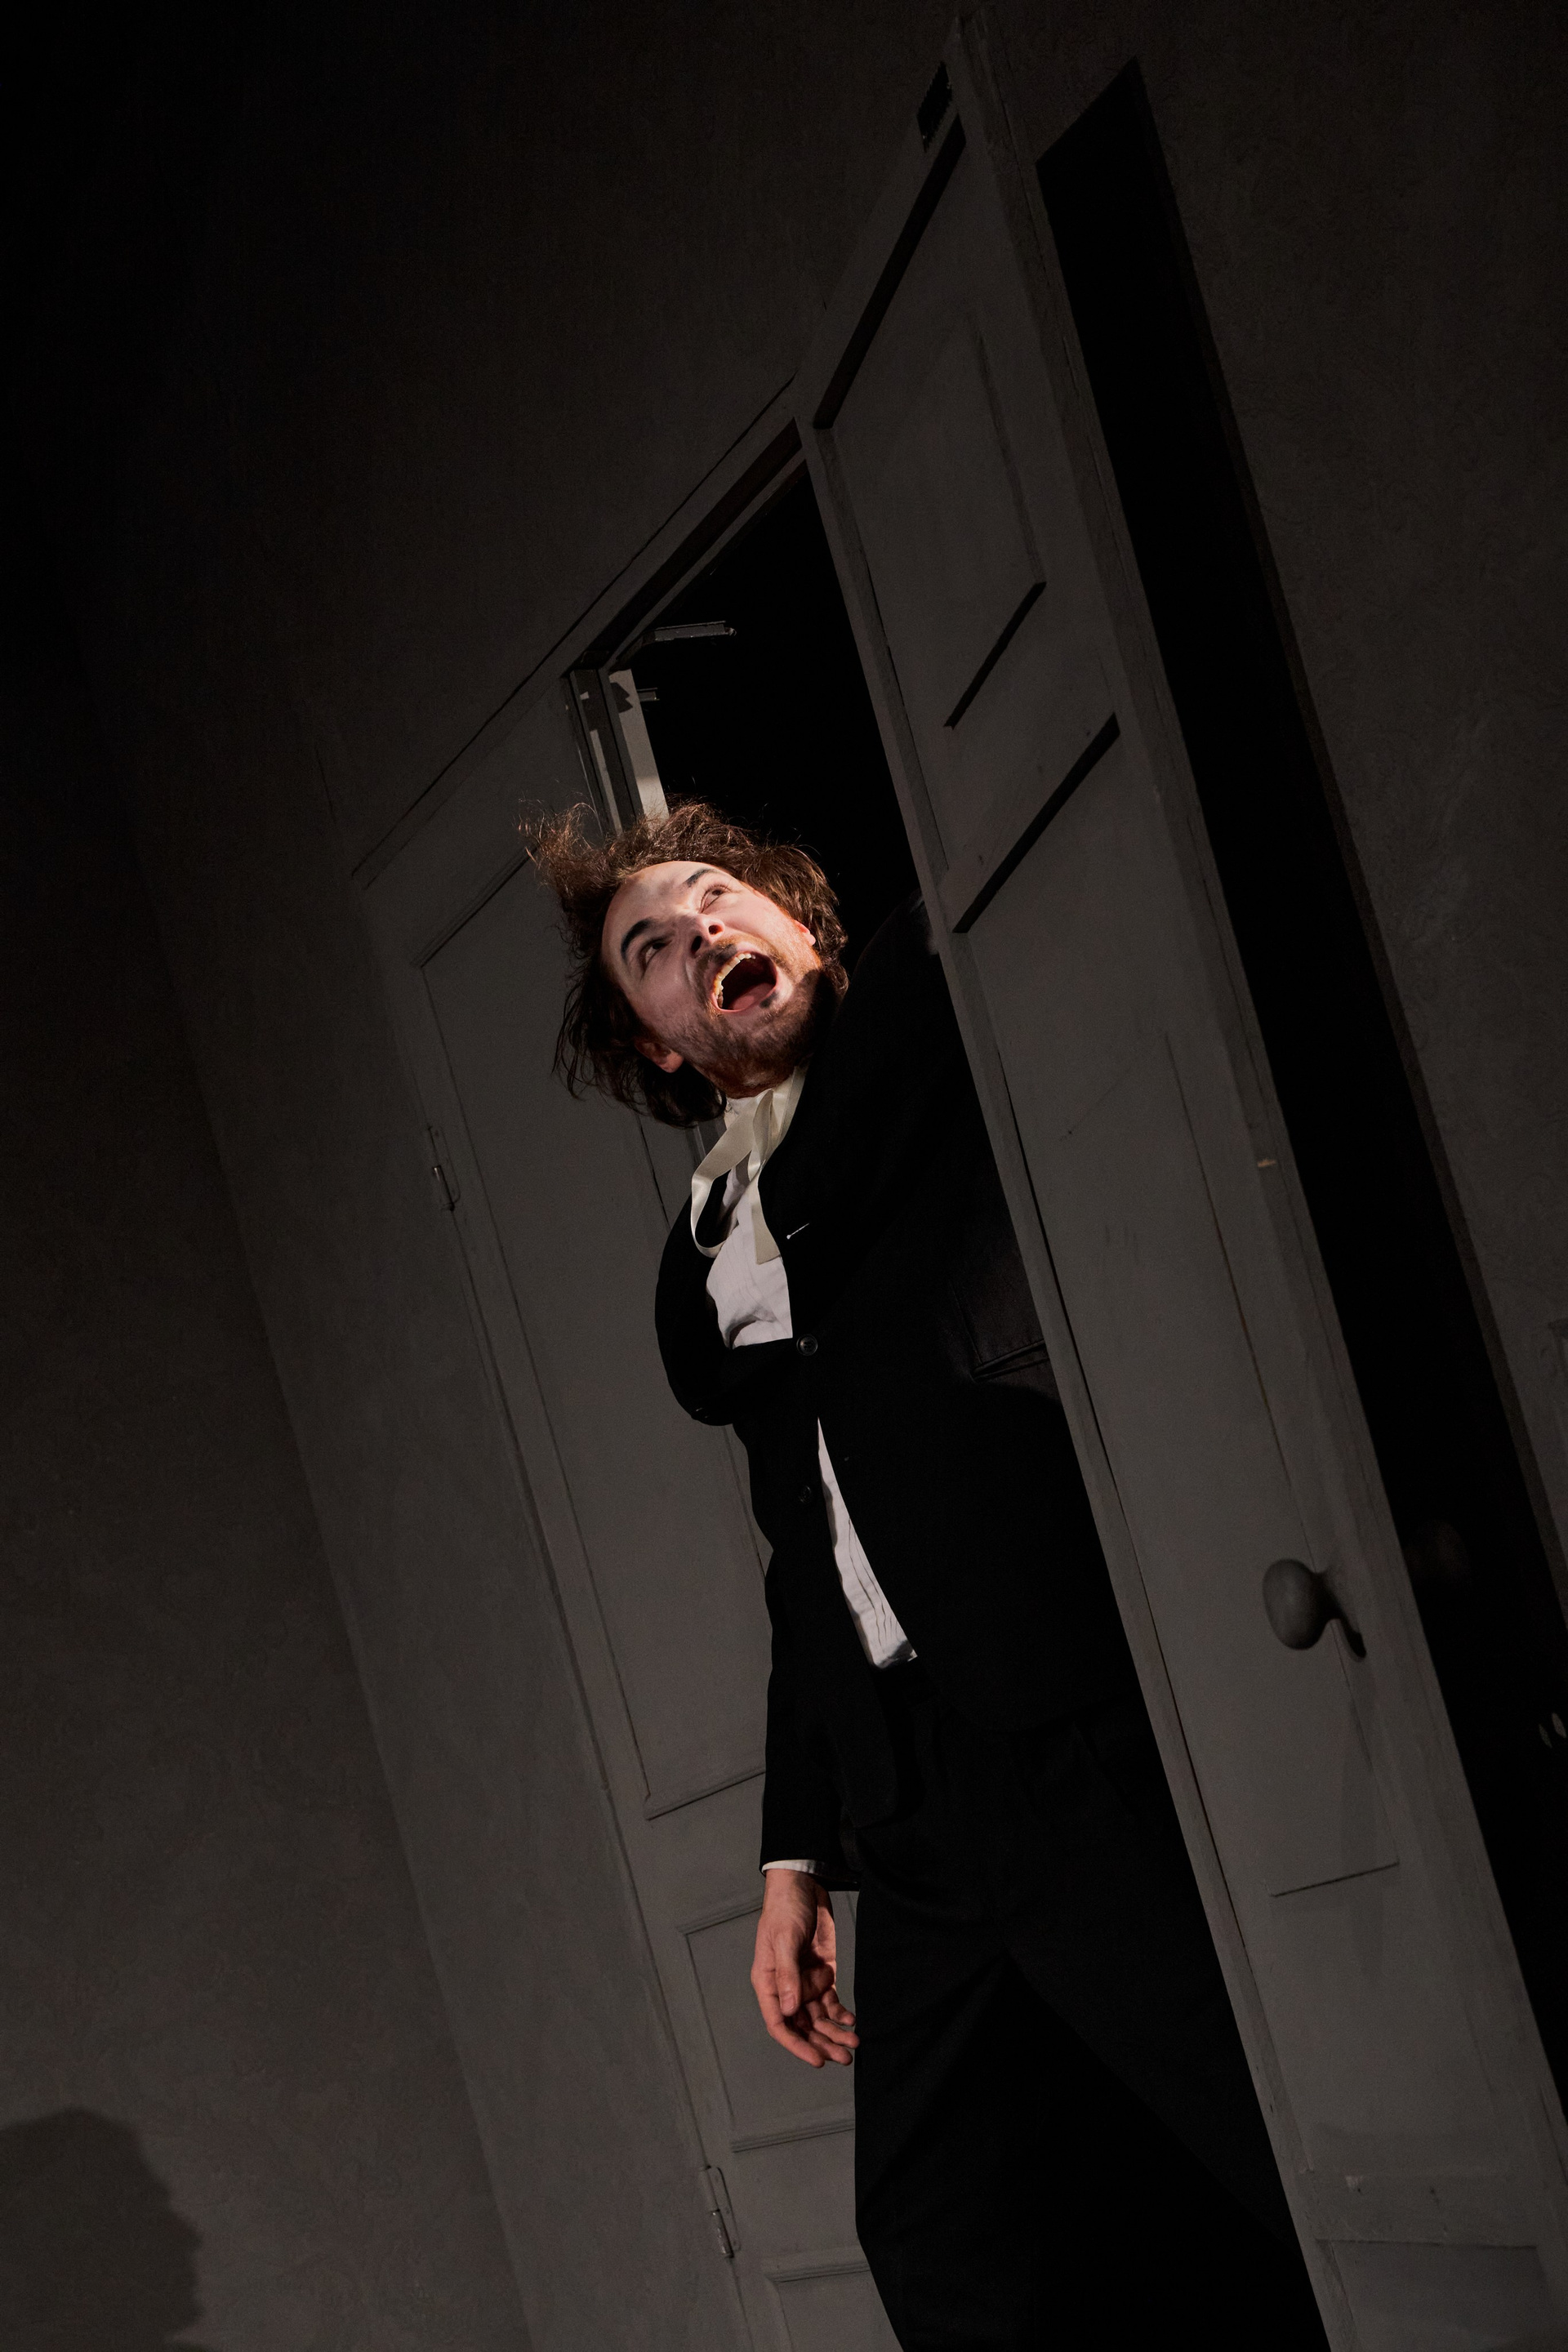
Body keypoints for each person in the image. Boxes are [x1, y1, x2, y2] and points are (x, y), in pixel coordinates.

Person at [529, 799, 1325, 2349]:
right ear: (655, 1045)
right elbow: (806, 1562)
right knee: (943, 2234)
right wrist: (792, 1858)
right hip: (913, 1802)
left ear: (801, 924)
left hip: (1068, 1725)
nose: (700, 932)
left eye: (716, 898)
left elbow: (854, 1142)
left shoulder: (914, 1027)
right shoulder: (714, 1248)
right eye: (653, 950)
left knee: (1267, 2133)